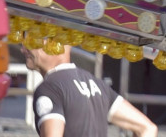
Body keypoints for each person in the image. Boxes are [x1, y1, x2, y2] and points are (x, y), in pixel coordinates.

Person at [22, 41, 157, 137]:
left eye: (32, 40)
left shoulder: (49, 88)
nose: (24, 49)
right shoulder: (95, 83)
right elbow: (147, 128)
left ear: (54, 43)